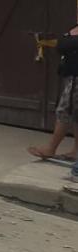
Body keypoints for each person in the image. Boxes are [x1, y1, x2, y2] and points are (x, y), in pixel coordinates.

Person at [28, 24, 78, 162]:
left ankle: (51, 148)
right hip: (71, 76)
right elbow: (62, 45)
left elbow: (65, 45)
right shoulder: (75, 27)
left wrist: (66, 43)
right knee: (74, 113)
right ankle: (76, 151)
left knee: (64, 111)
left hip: (76, 77)